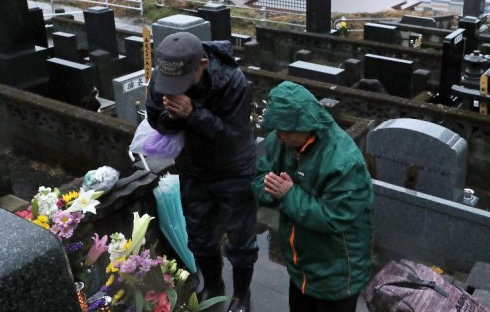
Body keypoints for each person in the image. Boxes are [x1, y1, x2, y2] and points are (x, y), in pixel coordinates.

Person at [145, 32, 258, 312]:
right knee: (199, 235)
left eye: (182, 82)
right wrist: (170, 117)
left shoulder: (233, 81)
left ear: (203, 64)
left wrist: (193, 114)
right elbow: (154, 120)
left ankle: (242, 295)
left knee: (241, 238)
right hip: (194, 168)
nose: (173, 89)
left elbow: (234, 136)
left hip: (234, 168)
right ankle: (214, 284)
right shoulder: (163, 78)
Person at [251, 81, 374, 312]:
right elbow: (260, 179)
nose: (280, 136)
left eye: (286, 130)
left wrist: (287, 194)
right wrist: (271, 190)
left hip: (337, 269)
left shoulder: (344, 161)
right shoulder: (280, 142)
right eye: (276, 129)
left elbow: (335, 217)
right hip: (300, 263)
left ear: (305, 124)